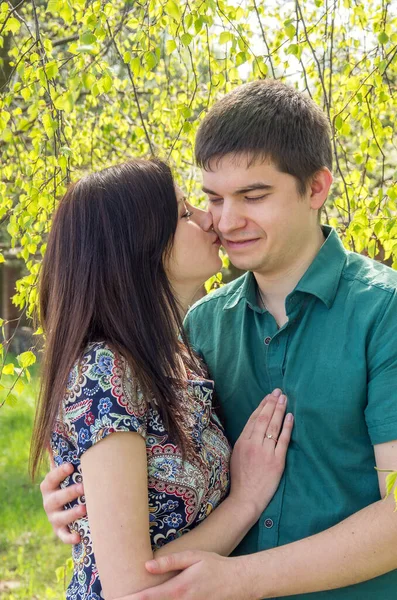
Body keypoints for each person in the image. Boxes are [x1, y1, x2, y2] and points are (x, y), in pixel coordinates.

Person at [41, 80, 397, 599]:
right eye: (211, 199)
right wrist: (81, 504)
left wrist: (240, 580)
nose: (225, 222)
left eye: (253, 196)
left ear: (317, 188)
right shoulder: (197, 331)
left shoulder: (383, 312)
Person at [31, 158, 293, 600]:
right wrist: (244, 503)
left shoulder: (182, 356)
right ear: (139, 247)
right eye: (185, 213)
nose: (210, 219)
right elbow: (132, 585)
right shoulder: (105, 372)